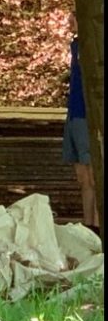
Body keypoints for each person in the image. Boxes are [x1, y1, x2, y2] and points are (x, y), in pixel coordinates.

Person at [62, 13, 100, 238]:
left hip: (87, 116)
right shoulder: (76, 45)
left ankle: (96, 226)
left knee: (93, 174)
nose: (69, 23)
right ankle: (88, 224)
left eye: (74, 19)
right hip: (74, 115)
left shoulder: (91, 47)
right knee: (82, 176)